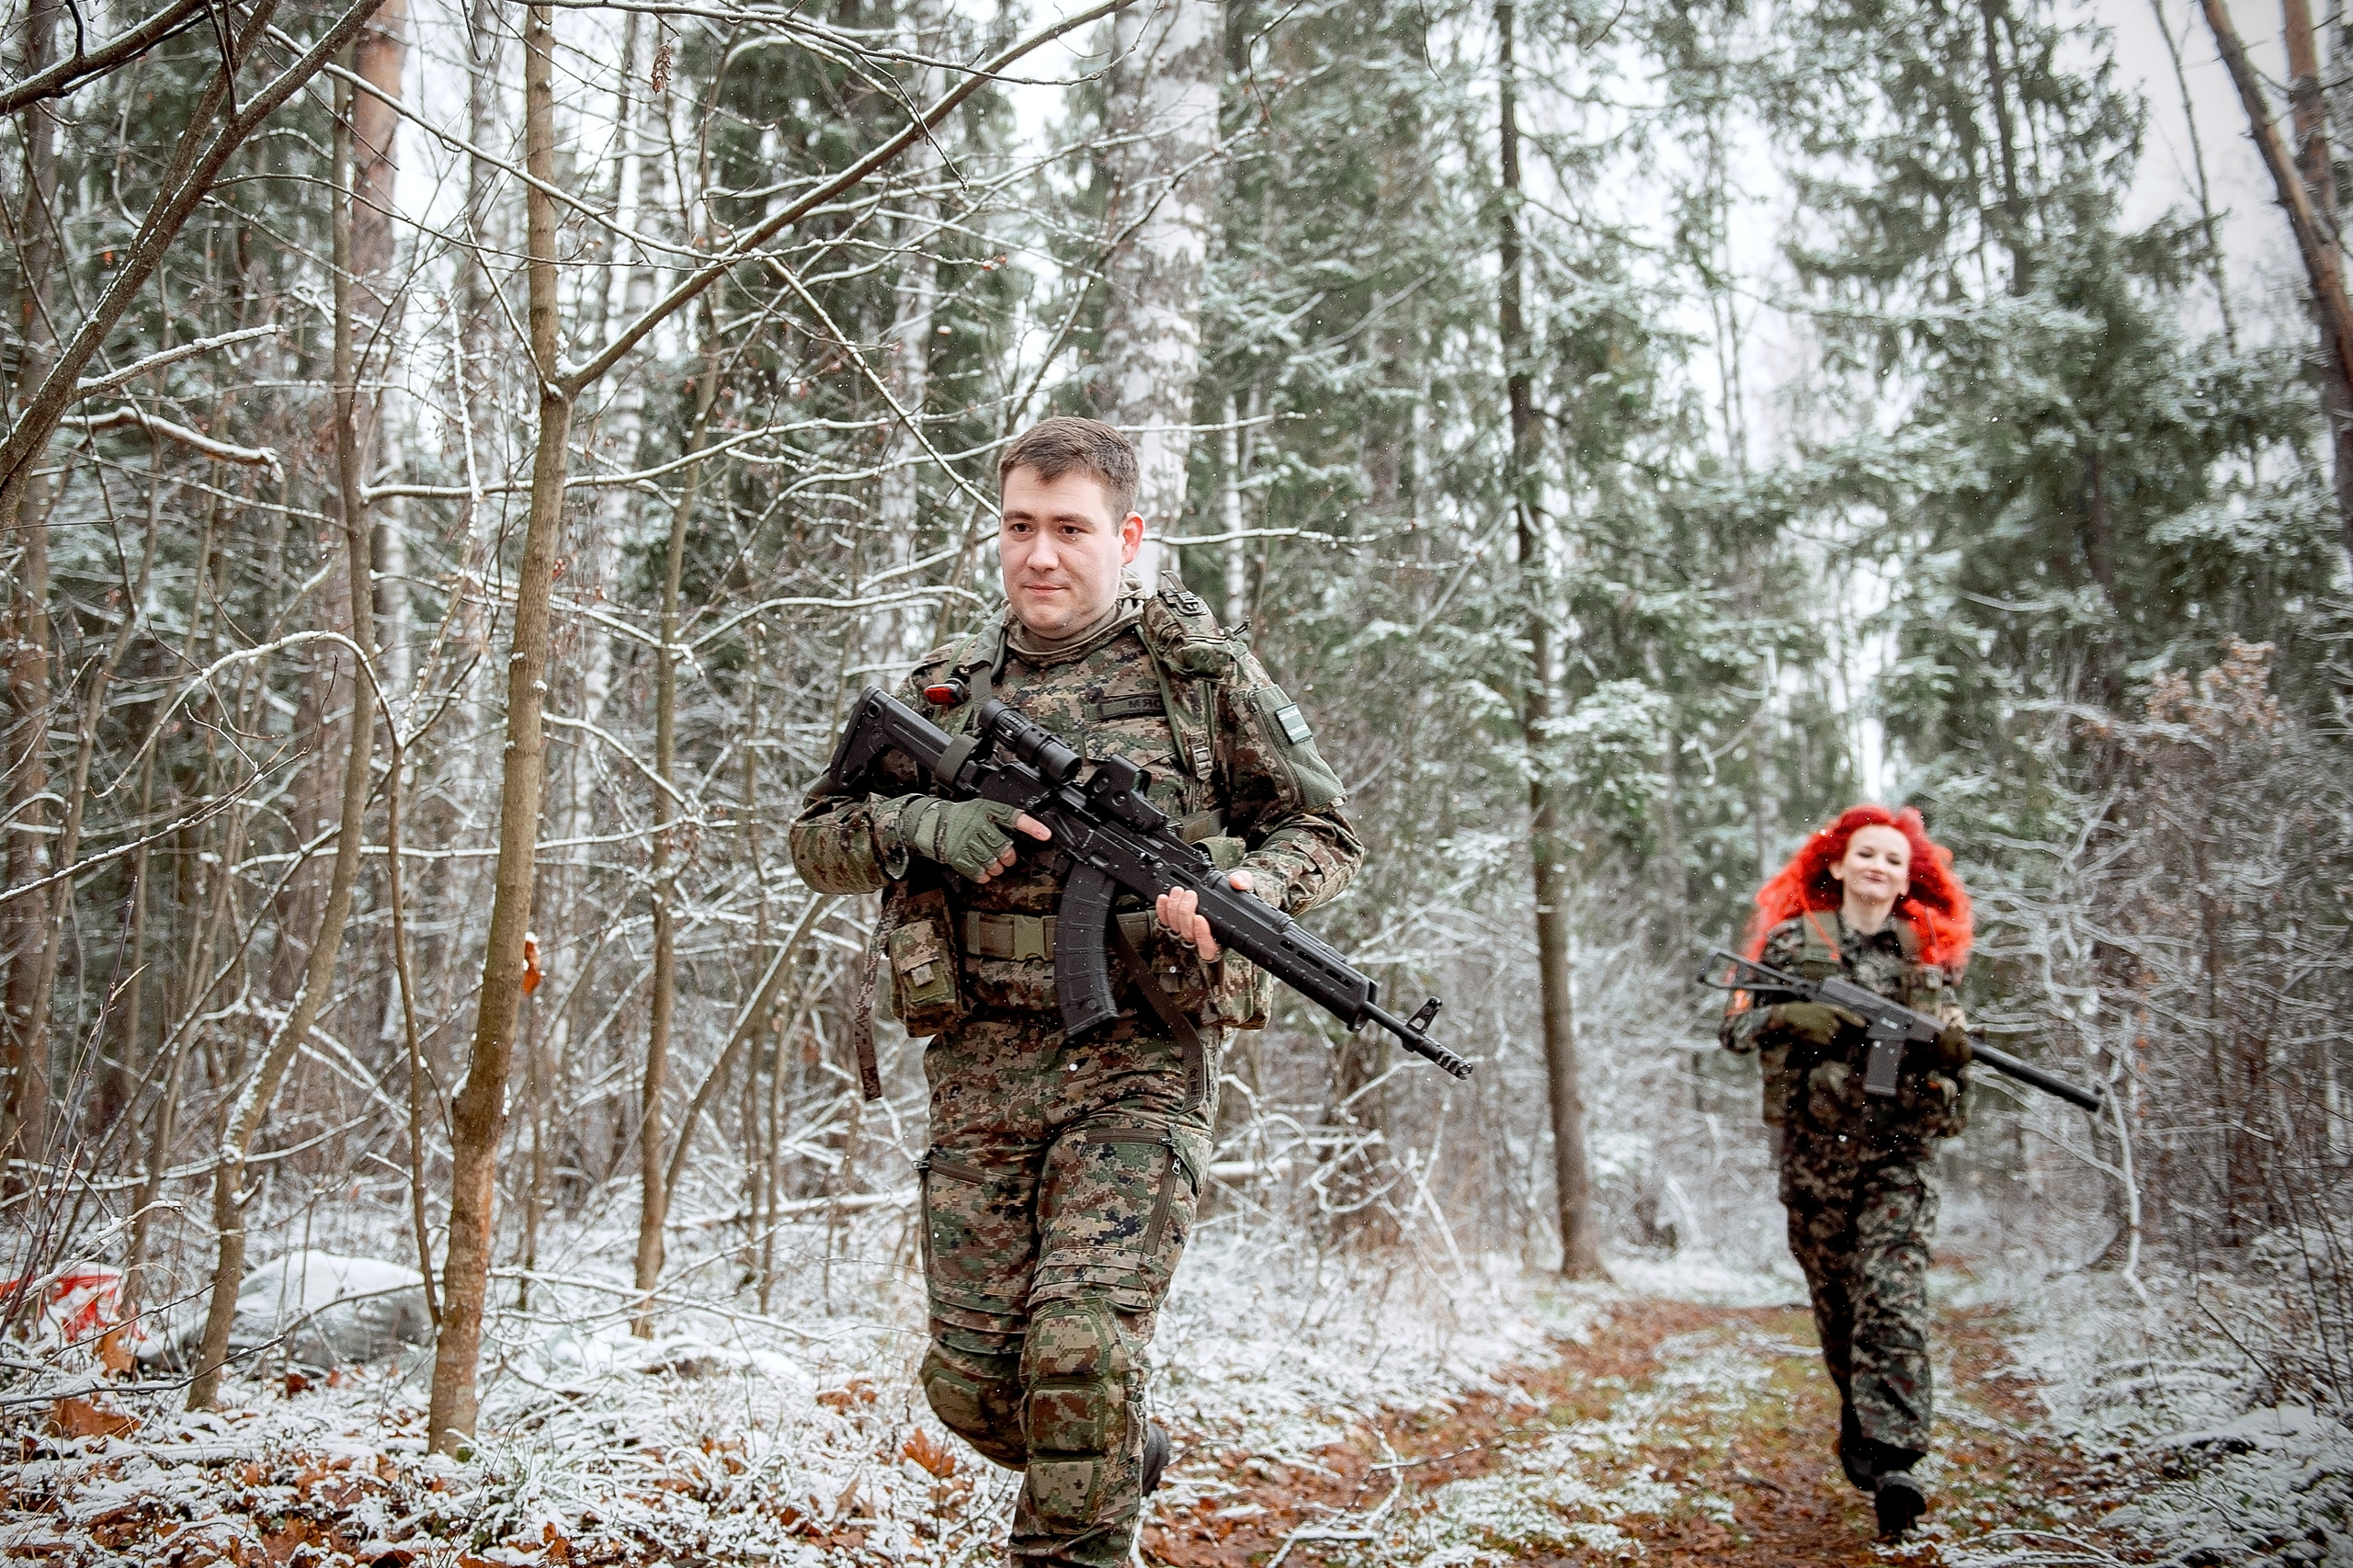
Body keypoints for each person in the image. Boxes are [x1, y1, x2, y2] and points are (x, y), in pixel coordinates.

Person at [789, 416, 1361, 1568]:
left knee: (1081, 1350)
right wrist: (924, 823)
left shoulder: (1199, 676)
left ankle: (1081, 1501)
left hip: (1139, 1056)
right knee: (969, 1385)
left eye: (1069, 528)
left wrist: (1249, 886)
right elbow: (816, 837)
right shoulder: (945, 692)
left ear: (1128, 536)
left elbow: (1326, 828)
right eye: (1018, 526)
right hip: (978, 1067)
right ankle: (1106, 1447)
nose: (1039, 554)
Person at [1717, 804, 1975, 1542]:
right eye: (1866, 853)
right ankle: (1864, 1421)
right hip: (1816, 1160)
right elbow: (1732, 1024)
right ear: (1835, 863)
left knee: (1892, 1294)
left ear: (1908, 878)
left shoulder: (1926, 950)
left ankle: (1896, 1463)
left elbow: (1958, 1044)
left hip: (1901, 1157)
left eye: (1894, 859)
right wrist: (1783, 1019)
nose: (1878, 868)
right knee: (1840, 1311)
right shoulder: (1794, 943)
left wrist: (1953, 1053)